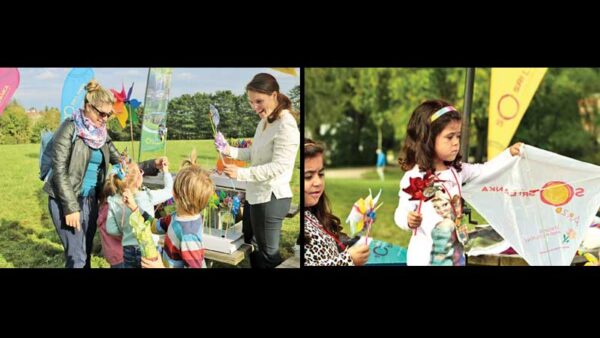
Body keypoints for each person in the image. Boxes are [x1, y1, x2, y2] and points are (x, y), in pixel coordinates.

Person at [43, 79, 167, 268]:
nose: (105, 119)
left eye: (108, 115)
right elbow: (59, 170)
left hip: (91, 200)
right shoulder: (68, 128)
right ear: (87, 106)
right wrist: (70, 207)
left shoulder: (101, 134)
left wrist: (152, 164)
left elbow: (122, 163)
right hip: (66, 199)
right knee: (77, 257)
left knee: (85, 252)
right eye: (101, 113)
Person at [394, 99, 522, 266]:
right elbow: (400, 212)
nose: (456, 142)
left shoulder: (458, 171)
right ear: (428, 139)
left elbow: (485, 170)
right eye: (449, 137)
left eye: (458, 136)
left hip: (456, 257)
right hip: (424, 259)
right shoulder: (414, 177)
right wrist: (408, 220)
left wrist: (509, 155)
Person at [215, 73, 300, 268]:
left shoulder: (286, 124)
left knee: (269, 255)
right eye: (251, 102)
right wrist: (227, 149)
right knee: (250, 245)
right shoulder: (264, 121)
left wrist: (240, 173)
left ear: (274, 95)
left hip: (271, 198)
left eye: (259, 101)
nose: (254, 107)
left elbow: (279, 167)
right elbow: (253, 153)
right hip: (255, 195)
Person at [125, 150, 214, 268]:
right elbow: (154, 225)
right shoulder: (177, 217)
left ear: (176, 195)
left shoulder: (189, 235)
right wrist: (135, 208)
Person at [304, 139, 370, 266]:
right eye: (308, 176)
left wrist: (362, 225)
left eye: (321, 174)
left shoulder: (315, 213)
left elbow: (337, 243)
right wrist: (348, 260)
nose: (318, 182)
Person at [105, 154, 172, 268]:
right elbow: (169, 191)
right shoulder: (147, 196)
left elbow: (111, 229)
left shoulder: (113, 200)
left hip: (128, 249)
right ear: (138, 181)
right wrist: (165, 171)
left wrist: (125, 231)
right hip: (148, 247)